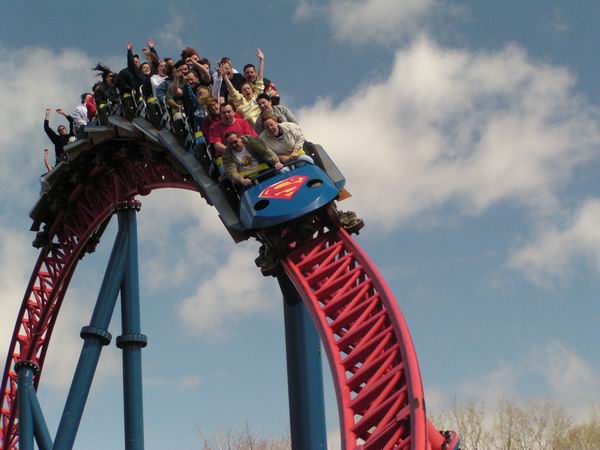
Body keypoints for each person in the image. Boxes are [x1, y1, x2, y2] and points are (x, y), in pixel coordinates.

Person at [221, 48, 265, 125]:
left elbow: (260, 78)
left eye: (248, 88)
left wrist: (261, 60)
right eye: (244, 90)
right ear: (242, 93)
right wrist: (224, 76)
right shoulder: (240, 100)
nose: (247, 90)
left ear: (252, 89)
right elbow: (232, 89)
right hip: (251, 128)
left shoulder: (257, 96)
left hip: (263, 123)